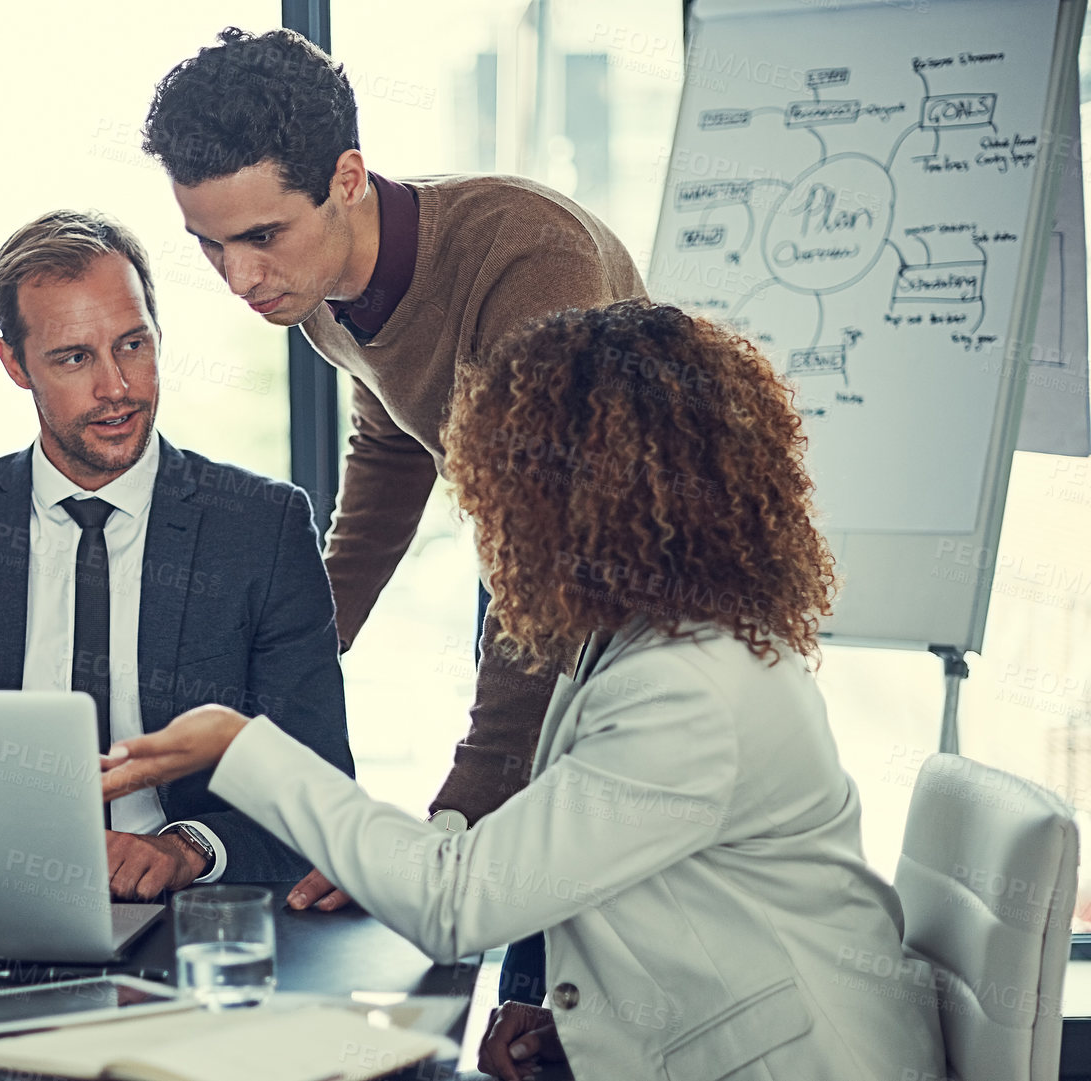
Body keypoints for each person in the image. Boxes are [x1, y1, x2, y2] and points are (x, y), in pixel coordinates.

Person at [102, 300, 945, 1080]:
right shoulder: (651, 637)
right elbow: (606, 872)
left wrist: (238, 743)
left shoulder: (685, 690)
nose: (490, 518)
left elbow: (458, 901)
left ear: (587, 498)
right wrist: (577, 1023)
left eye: (507, 489)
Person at [142, 28, 646, 1003]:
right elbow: (391, 447)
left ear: (347, 177)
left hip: (633, 616)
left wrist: (445, 828)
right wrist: (297, 656)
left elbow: (545, 578)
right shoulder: (327, 286)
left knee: (566, 943)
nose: (239, 279)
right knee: (516, 957)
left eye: (261, 237)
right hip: (530, 580)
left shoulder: (528, 262)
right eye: (209, 245)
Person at [0, 210, 353, 898]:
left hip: (182, 917)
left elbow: (320, 789)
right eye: (75, 357)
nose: (117, 386)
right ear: (15, 363)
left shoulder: (261, 529)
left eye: (133, 344)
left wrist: (187, 849)